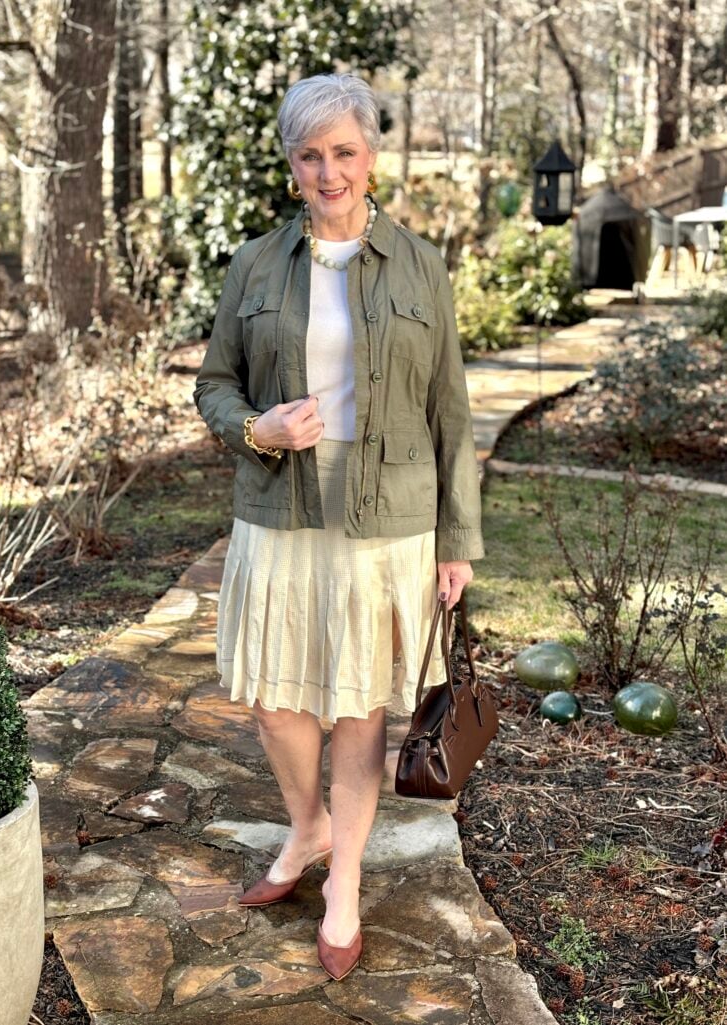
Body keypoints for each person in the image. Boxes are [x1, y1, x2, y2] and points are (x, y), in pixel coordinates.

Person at [192, 72, 484, 981]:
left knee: (357, 706)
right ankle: (307, 823)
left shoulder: (419, 264)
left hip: (386, 515)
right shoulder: (253, 264)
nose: (329, 172)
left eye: (344, 153)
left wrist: (455, 538)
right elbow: (214, 384)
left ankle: (345, 876)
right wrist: (257, 427)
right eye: (310, 156)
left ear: (370, 157)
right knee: (278, 702)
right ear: (291, 167)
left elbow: (452, 410)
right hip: (280, 507)